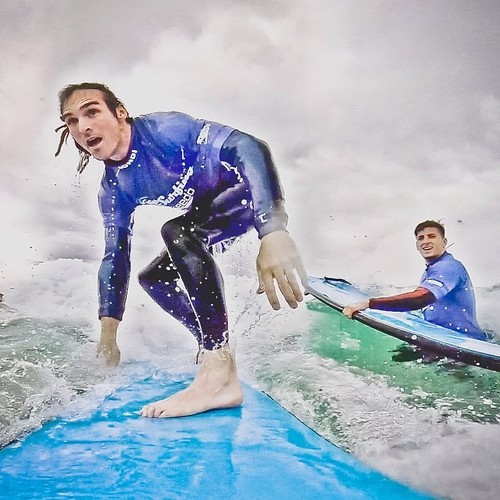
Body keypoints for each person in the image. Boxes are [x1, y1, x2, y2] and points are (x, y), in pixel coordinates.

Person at [55, 82, 307, 418]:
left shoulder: (164, 130)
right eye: (72, 120)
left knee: (176, 232)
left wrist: (272, 229)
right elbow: (116, 257)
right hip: (213, 213)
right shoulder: (114, 189)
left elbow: (249, 146)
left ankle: (218, 370)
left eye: (91, 112)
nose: (82, 127)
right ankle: (210, 345)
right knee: (154, 278)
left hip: (251, 188)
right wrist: (108, 334)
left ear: (120, 113)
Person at [342, 220, 487, 340]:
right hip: (442, 337)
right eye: (421, 238)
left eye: (432, 236)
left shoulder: (448, 267)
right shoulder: (433, 267)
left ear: (444, 242)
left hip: (464, 343)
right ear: (417, 245)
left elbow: (422, 298)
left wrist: (369, 303)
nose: (426, 241)